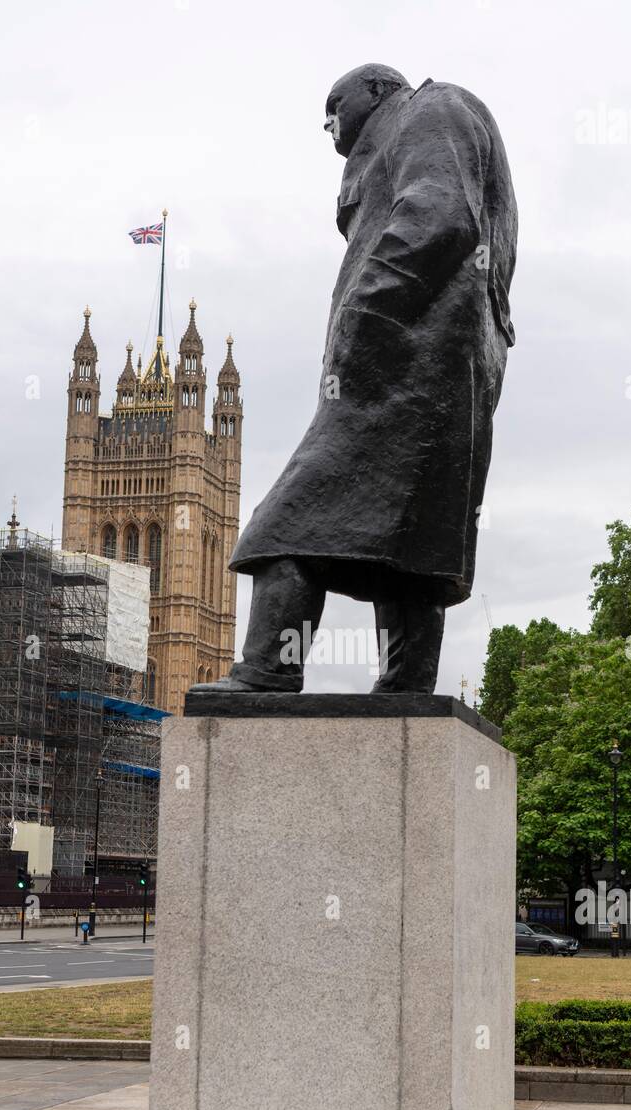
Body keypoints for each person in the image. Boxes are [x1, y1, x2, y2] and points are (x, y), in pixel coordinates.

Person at [194, 62, 517, 695]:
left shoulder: (429, 110)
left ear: (376, 91)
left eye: (334, 106)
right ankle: (406, 687)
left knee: (286, 524)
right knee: (418, 538)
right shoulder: (437, 122)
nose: (330, 124)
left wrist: (363, 313)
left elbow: (440, 216)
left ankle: (268, 670)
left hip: (402, 359)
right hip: (449, 364)